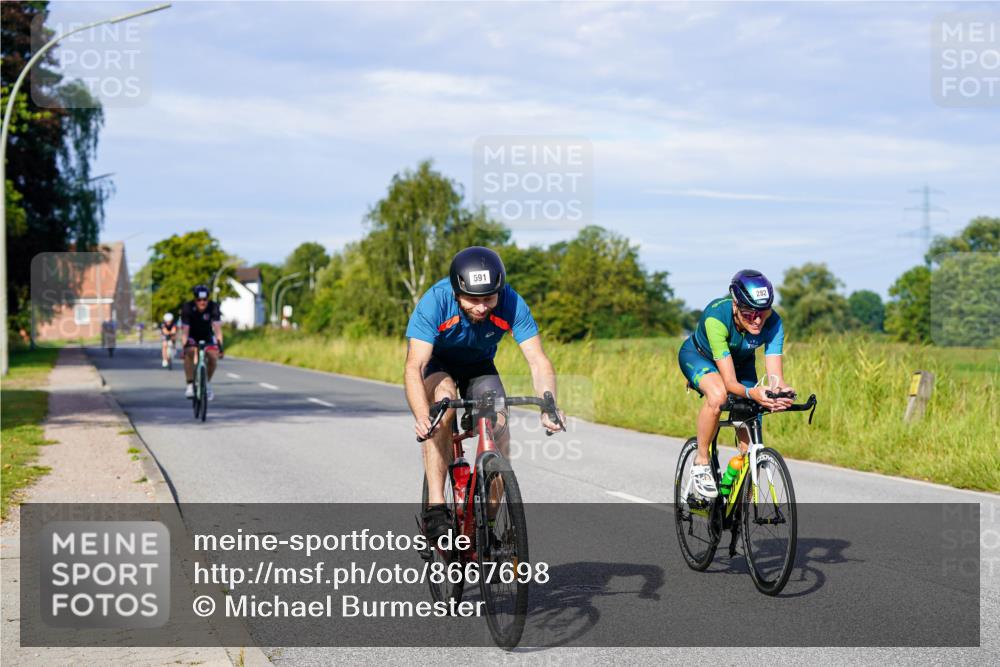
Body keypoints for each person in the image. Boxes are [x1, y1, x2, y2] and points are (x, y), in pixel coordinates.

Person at [404, 246, 565, 542]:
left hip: (479, 365)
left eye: (488, 298)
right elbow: (415, 366)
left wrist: (549, 404)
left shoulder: (511, 303)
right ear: (456, 292)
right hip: (438, 365)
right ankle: (436, 508)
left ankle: (488, 525)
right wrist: (422, 416)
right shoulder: (435, 302)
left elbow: (538, 360)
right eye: (473, 300)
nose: (481, 307)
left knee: (500, 423)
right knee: (444, 406)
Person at [677, 269, 795, 499]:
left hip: (741, 363)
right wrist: (752, 392)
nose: (758, 320)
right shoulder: (716, 318)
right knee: (719, 395)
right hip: (700, 357)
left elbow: (775, 378)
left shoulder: (774, 322)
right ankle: (701, 461)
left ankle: (738, 509)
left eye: (763, 312)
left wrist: (779, 392)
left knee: (750, 441)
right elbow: (730, 382)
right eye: (750, 313)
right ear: (735, 305)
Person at [181, 285, 223, 400]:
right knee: (190, 352)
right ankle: (190, 384)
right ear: (195, 299)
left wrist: (220, 347)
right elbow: (185, 331)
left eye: (205, 300)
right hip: (192, 335)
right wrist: (184, 348)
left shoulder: (213, 307)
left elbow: (218, 329)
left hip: (207, 335)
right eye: (199, 300)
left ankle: (207, 384)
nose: (202, 302)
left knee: (213, 357)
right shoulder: (188, 307)